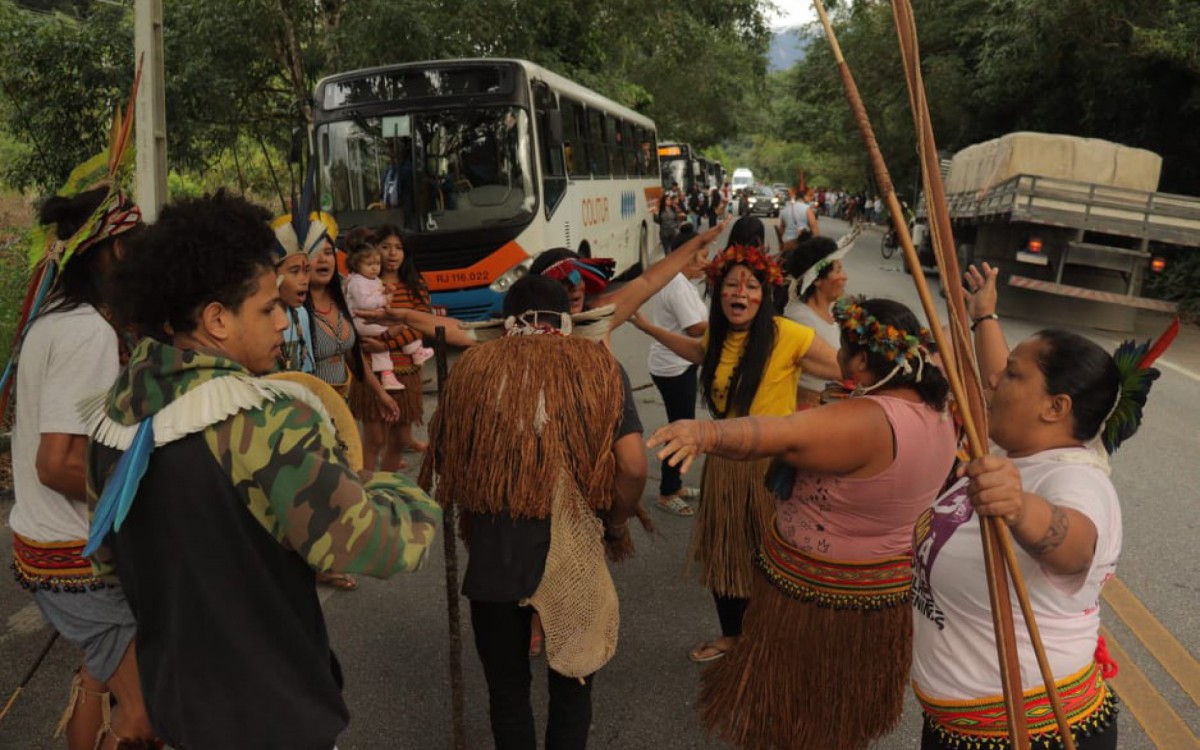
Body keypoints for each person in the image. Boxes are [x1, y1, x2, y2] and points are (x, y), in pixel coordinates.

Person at [86, 191, 441, 750]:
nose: (283, 321)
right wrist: (409, 496)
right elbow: (370, 544)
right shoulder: (266, 421)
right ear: (217, 320)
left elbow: (110, 569)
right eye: (267, 306)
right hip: (271, 715)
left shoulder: (114, 419)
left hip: (177, 708)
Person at [647, 297, 957, 749]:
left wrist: (706, 433)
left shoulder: (869, 420)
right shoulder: (939, 408)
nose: (836, 355)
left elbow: (781, 434)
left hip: (821, 603)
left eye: (842, 347)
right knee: (837, 717)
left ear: (862, 359)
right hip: (882, 597)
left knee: (802, 718)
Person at [909, 263, 1161, 750]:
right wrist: (984, 316)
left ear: (1055, 408)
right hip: (962, 725)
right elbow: (994, 368)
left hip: (1031, 735)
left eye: (1013, 375)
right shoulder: (1023, 447)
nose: (994, 378)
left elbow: (1075, 546)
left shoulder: (1075, 478)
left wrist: (1021, 508)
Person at [420, 274, 647, 750]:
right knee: (572, 686)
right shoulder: (601, 367)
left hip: (494, 562)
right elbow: (632, 466)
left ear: (506, 321)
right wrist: (616, 522)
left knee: (507, 694)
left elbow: (444, 460)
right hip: (574, 557)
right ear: (566, 317)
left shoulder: (472, 369)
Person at [630, 217, 840, 664]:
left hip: (772, 469)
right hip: (725, 467)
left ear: (764, 295)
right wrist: (648, 329)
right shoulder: (718, 333)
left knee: (772, 561)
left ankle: (768, 638)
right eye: (730, 285)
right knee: (725, 557)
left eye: (750, 286)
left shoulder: (789, 335)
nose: (739, 294)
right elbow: (697, 352)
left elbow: (844, 369)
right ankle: (732, 636)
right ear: (717, 289)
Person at [7, 181, 156, 749]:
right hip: (75, 556)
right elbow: (58, 464)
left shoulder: (54, 320)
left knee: (98, 681)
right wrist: (150, 498)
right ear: (117, 249)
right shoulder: (84, 331)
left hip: (52, 546)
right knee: (144, 717)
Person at [645, 231, 709, 516]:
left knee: (679, 423)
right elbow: (694, 328)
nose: (706, 262)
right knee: (680, 429)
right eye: (703, 254)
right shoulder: (678, 284)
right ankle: (668, 492)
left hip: (673, 363)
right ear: (689, 253)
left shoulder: (677, 279)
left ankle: (675, 485)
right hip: (674, 366)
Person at [344, 243, 432, 391]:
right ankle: (411, 354)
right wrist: (384, 299)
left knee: (402, 325)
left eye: (377, 264)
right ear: (356, 264)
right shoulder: (356, 282)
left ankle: (401, 364)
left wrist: (386, 291)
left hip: (374, 319)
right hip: (364, 320)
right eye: (369, 264)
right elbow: (364, 303)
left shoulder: (374, 280)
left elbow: (424, 320)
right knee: (396, 328)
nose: (374, 268)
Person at [783, 236, 851, 407]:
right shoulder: (799, 318)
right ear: (817, 280)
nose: (844, 277)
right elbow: (842, 369)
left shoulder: (834, 310)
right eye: (837, 271)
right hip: (811, 410)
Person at [775, 180, 820, 255]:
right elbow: (814, 226)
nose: (811, 198)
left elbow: (781, 229)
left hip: (787, 244)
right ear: (804, 196)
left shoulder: (785, 209)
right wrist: (817, 244)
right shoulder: (807, 209)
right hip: (802, 244)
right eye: (810, 196)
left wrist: (781, 244)